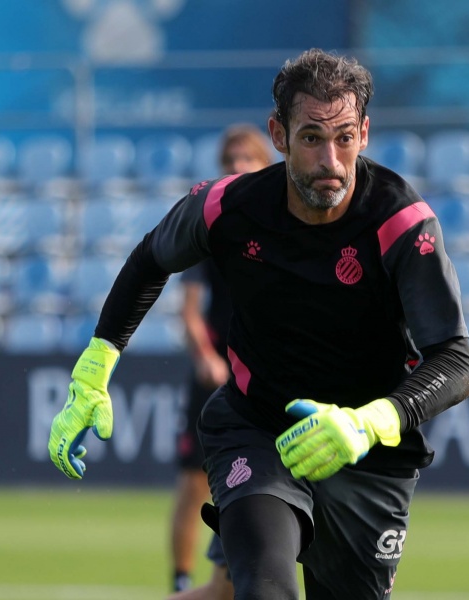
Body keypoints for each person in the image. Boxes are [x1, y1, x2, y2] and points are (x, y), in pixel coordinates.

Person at [48, 48, 469, 600]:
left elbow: (456, 360)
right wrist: (94, 369)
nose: (331, 160)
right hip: (257, 429)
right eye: (312, 138)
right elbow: (150, 259)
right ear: (278, 134)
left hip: (366, 452)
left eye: (345, 138)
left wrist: (368, 423)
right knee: (263, 589)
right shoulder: (227, 206)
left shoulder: (401, 223)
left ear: (365, 134)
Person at [171, 124, 272, 596]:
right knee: (195, 485)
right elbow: (189, 311)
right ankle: (181, 579)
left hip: (268, 382)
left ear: (266, 164)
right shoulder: (209, 231)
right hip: (218, 379)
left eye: (246, 159)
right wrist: (207, 357)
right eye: (229, 161)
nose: (236, 168)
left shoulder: (285, 228)